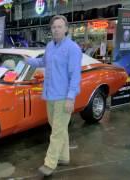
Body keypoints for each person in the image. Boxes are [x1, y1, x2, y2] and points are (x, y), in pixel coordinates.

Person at [26, 15, 82, 176]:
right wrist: (29, 61)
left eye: (59, 26)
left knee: (56, 131)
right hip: (50, 95)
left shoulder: (72, 48)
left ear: (66, 29)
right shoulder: (50, 46)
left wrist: (71, 98)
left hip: (64, 97)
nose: (56, 29)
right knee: (58, 128)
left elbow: (75, 76)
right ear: (51, 30)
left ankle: (50, 164)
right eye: (54, 27)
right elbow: (43, 62)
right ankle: (64, 157)